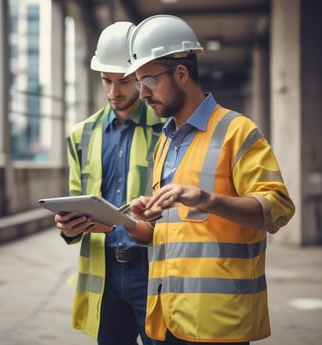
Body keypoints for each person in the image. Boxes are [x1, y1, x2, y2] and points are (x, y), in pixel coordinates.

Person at [123, 15, 296, 345]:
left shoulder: (237, 131)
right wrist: (134, 222)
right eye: (138, 82)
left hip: (218, 321)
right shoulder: (163, 143)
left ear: (182, 74)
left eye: (149, 80)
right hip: (164, 320)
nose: (142, 93)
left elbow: (278, 208)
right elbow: (163, 233)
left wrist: (207, 200)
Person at [54, 21, 164, 345]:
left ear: (141, 76)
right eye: (106, 80)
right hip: (103, 274)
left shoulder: (167, 128)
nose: (114, 91)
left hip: (152, 268)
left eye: (124, 81)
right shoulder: (81, 135)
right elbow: (77, 199)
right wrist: (68, 227)